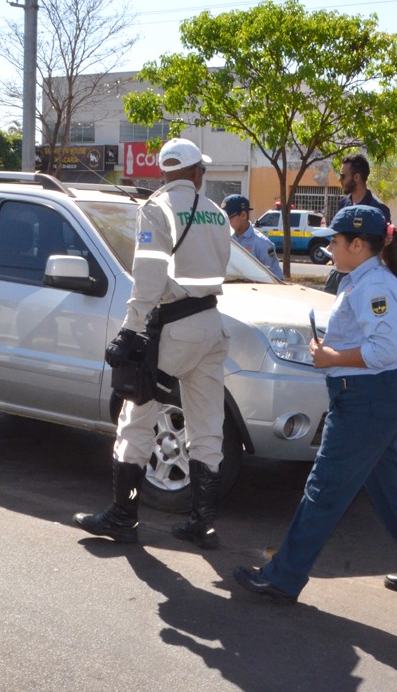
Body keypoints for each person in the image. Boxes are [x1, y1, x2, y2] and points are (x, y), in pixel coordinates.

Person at [233, 205, 397, 605]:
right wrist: (330, 353)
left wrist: (331, 358)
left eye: (334, 239)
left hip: (367, 399)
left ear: (357, 244)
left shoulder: (373, 286)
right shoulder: (361, 280)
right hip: (370, 397)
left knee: (324, 489)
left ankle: (284, 575)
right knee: (388, 486)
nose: (328, 245)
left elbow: (384, 350)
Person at [73, 138, 231, 549]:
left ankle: (123, 517)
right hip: (212, 324)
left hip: (173, 329)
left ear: (165, 172)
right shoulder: (216, 214)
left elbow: (149, 276)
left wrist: (129, 329)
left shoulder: (156, 210)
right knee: (207, 424)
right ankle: (203, 524)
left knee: (136, 419)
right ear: (197, 172)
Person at [323, 154, 391, 294]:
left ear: (357, 177)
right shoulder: (344, 204)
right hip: (340, 273)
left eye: (343, 176)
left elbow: (382, 247)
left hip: (362, 279)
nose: (339, 180)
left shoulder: (378, 210)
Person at [222, 194, 282, 279]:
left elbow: (276, 277)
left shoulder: (262, 244)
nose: (225, 222)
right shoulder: (225, 239)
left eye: (228, 218)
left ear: (243, 215)